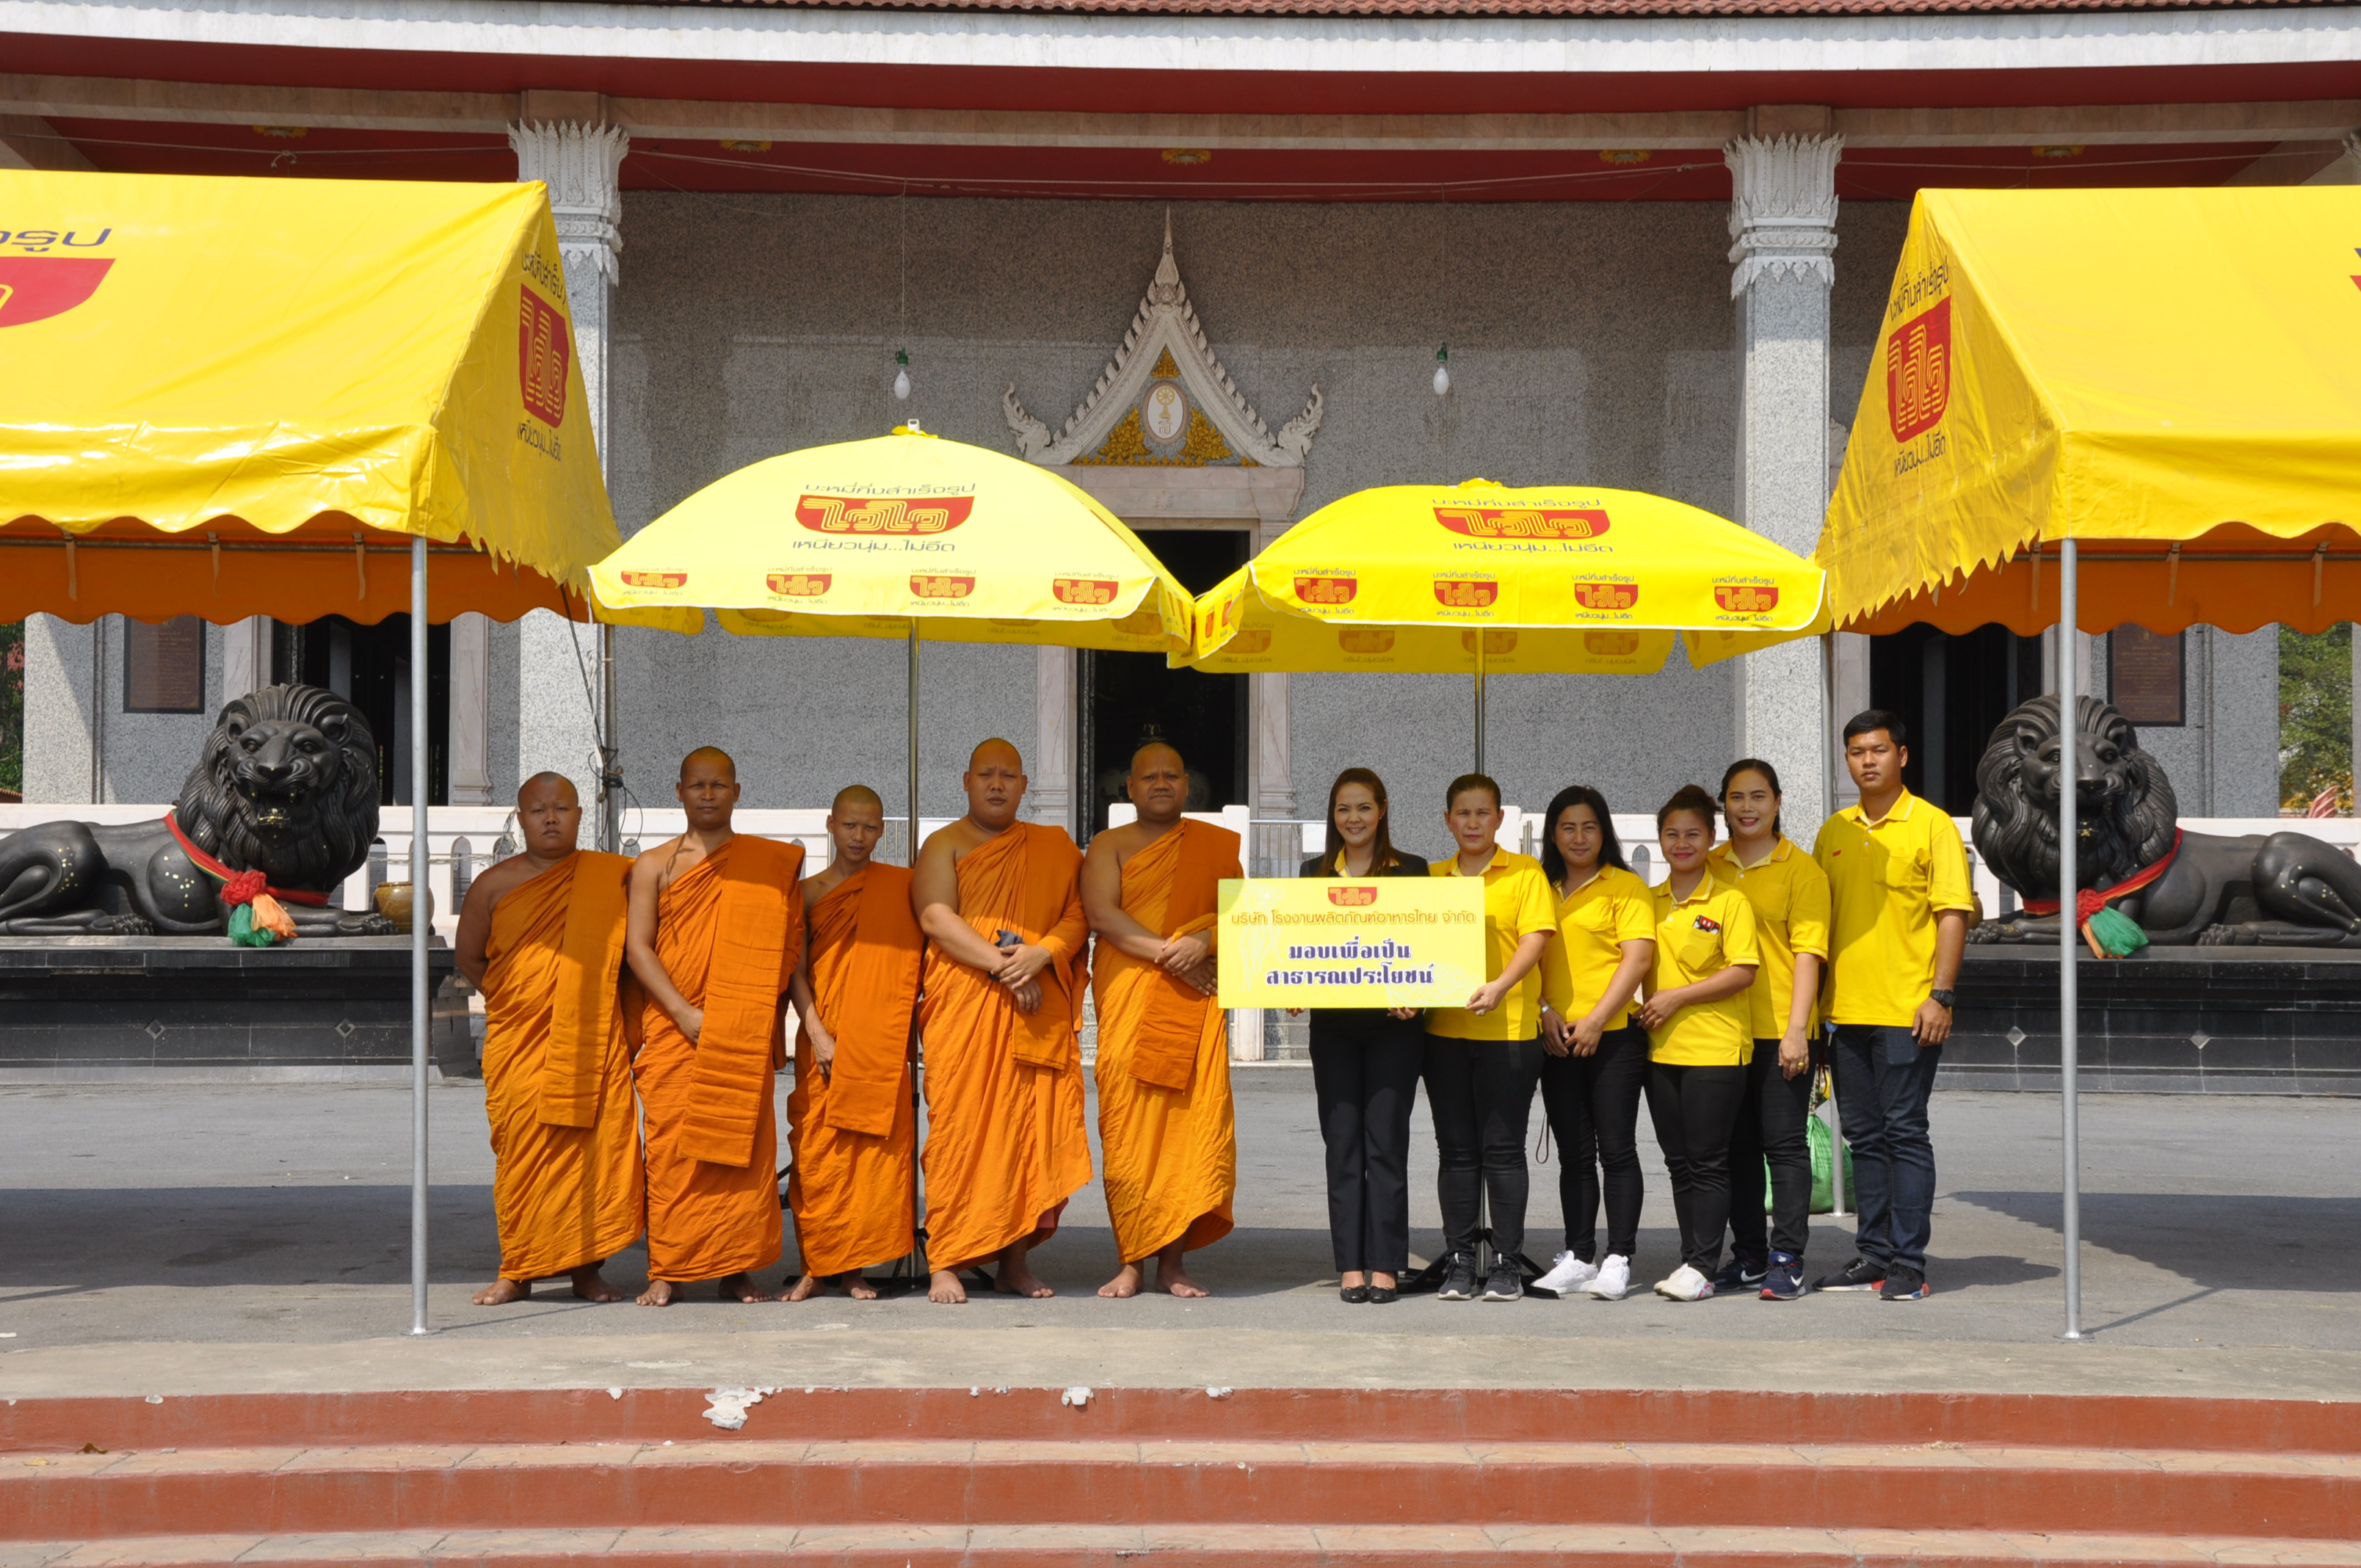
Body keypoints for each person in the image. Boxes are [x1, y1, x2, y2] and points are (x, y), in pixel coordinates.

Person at [912, 738, 1092, 1305]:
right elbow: (936, 917)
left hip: (1033, 1010)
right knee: (959, 1132)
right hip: (966, 1007)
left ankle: (1015, 1263)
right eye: (986, 774)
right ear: (966, 781)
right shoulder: (943, 844)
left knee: (1027, 1136)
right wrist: (1003, 965)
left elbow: (1079, 914)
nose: (996, 784)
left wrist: (1042, 955)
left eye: (1008, 775)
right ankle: (946, 1259)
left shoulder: (1054, 846)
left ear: (1024, 785)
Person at [624, 747, 806, 1306]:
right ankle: (669, 1269)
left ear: (737, 793)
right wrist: (683, 1012)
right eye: (697, 785)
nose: (708, 794)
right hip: (675, 1028)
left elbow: (787, 947)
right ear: (678, 792)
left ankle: (736, 1269)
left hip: (738, 1028)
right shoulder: (653, 865)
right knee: (672, 1152)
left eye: (719, 785)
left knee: (740, 1152)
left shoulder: (767, 864)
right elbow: (637, 948)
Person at [454, 772, 642, 1307]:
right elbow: (469, 957)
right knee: (522, 1154)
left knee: (590, 1156)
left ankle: (586, 1269)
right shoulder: (493, 885)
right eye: (539, 811)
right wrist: (516, 998)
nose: (551, 818)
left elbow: (632, 957)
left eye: (562, 808)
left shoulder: (612, 878)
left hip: (591, 1036)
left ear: (580, 815)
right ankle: (518, 1269)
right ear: (521, 820)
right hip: (521, 1038)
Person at [1810, 711, 1974, 1302]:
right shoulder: (1833, 831)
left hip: (1908, 1010)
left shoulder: (1931, 826)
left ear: (1902, 756)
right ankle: (1872, 1255)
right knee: (1863, 1137)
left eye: (1879, 750)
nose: (1868, 761)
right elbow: (1815, 925)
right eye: (1857, 752)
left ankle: (1908, 1262)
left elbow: (1952, 914)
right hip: (1843, 1013)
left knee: (1904, 1132)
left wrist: (1941, 996)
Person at [1082, 741, 1241, 1299]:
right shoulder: (1109, 845)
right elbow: (1102, 915)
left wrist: (1204, 943)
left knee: (1186, 1134)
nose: (1160, 784)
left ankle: (1173, 1263)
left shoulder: (1216, 847)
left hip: (1194, 1007)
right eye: (1149, 777)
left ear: (1187, 786)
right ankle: (1131, 1259)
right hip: (1133, 999)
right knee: (1128, 1132)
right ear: (1130, 787)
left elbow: (1242, 917)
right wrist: (1175, 955)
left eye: (1171, 775)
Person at [783, 784, 922, 1302]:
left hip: (879, 1040)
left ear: (882, 831)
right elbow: (795, 971)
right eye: (849, 825)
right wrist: (818, 1034)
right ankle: (816, 1266)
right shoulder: (808, 892)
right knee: (819, 1154)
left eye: (869, 827)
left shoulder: (900, 888)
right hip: (824, 1036)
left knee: (871, 1158)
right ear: (830, 824)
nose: (859, 836)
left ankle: (855, 1269)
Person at [1424, 773, 1556, 1304]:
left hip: (1510, 1032)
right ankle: (1459, 1260)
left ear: (1500, 819)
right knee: (1456, 1153)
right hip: (1445, 1033)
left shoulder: (1525, 873)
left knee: (1502, 1151)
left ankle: (1505, 1264)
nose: (1473, 822)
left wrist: (1501, 985)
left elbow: (1536, 938)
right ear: (1447, 820)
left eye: (1483, 813)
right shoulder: (1431, 878)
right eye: (1463, 813)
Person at [1300, 769, 1428, 1305]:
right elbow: (1298, 944)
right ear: (1333, 816)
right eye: (1343, 809)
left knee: (1387, 1143)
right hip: (1333, 1029)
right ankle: (1351, 1264)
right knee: (1343, 1144)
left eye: (1363, 808)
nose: (1353, 819)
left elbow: (1430, 945)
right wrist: (1291, 983)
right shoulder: (1312, 874)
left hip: (1395, 1029)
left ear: (1383, 810)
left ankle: (1386, 1264)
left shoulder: (1413, 871)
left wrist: (1420, 992)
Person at [1708, 758, 1831, 1302]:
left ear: (1778, 803)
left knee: (1783, 1146)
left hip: (1782, 1027)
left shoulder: (1802, 871)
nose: (1747, 808)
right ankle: (1750, 1256)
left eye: (1758, 796)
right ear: (1724, 804)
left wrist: (1798, 1030)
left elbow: (1809, 955)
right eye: (1737, 797)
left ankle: (1788, 1258)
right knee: (1735, 1148)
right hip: (1722, 1030)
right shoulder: (1710, 864)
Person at [1635, 783, 1760, 1302]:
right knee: (1679, 1161)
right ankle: (1690, 1258)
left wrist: (1677, 998)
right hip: (1661, 1049)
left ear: (1712, 838)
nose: (1681, 844)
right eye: (1672, 835)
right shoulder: (1648, 901)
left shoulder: (1730, 900)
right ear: (1659, 840)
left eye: (1693, 834)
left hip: (1715, 1048)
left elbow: (1743, 970)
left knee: (1708, 1160)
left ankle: (1704, 1266)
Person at [1531, 785, 1655, 1304]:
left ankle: (1619, 1257)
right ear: (1553, 834)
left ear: (1604, 833)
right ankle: (1579, 1255)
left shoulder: (1625, 886)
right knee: (1574, 1155)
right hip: (1556, 1038)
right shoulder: (1539, 887)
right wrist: (1544, 1012)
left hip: (1615, 1036)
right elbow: (1521, 955)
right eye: (1568, 827)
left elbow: (1637, 959)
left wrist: (1598, 1019)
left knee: (1617, 1150)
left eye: (1589, 827)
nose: (1579, 837)